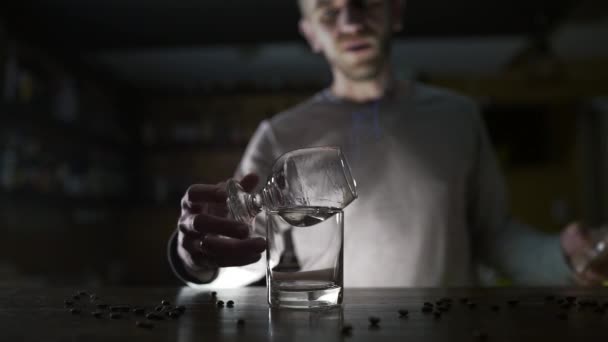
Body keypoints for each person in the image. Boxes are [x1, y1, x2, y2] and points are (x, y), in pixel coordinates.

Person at [168, 0, 607, 288]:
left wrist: (560, 256)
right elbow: (250, 249)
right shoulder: (279, 133)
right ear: (311, 34)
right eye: (328, 10)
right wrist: (198, 259)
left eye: (364, 2)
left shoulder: (458, 116)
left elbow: (494, 236)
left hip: (445, 330)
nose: (352, 20)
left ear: (396, 11)